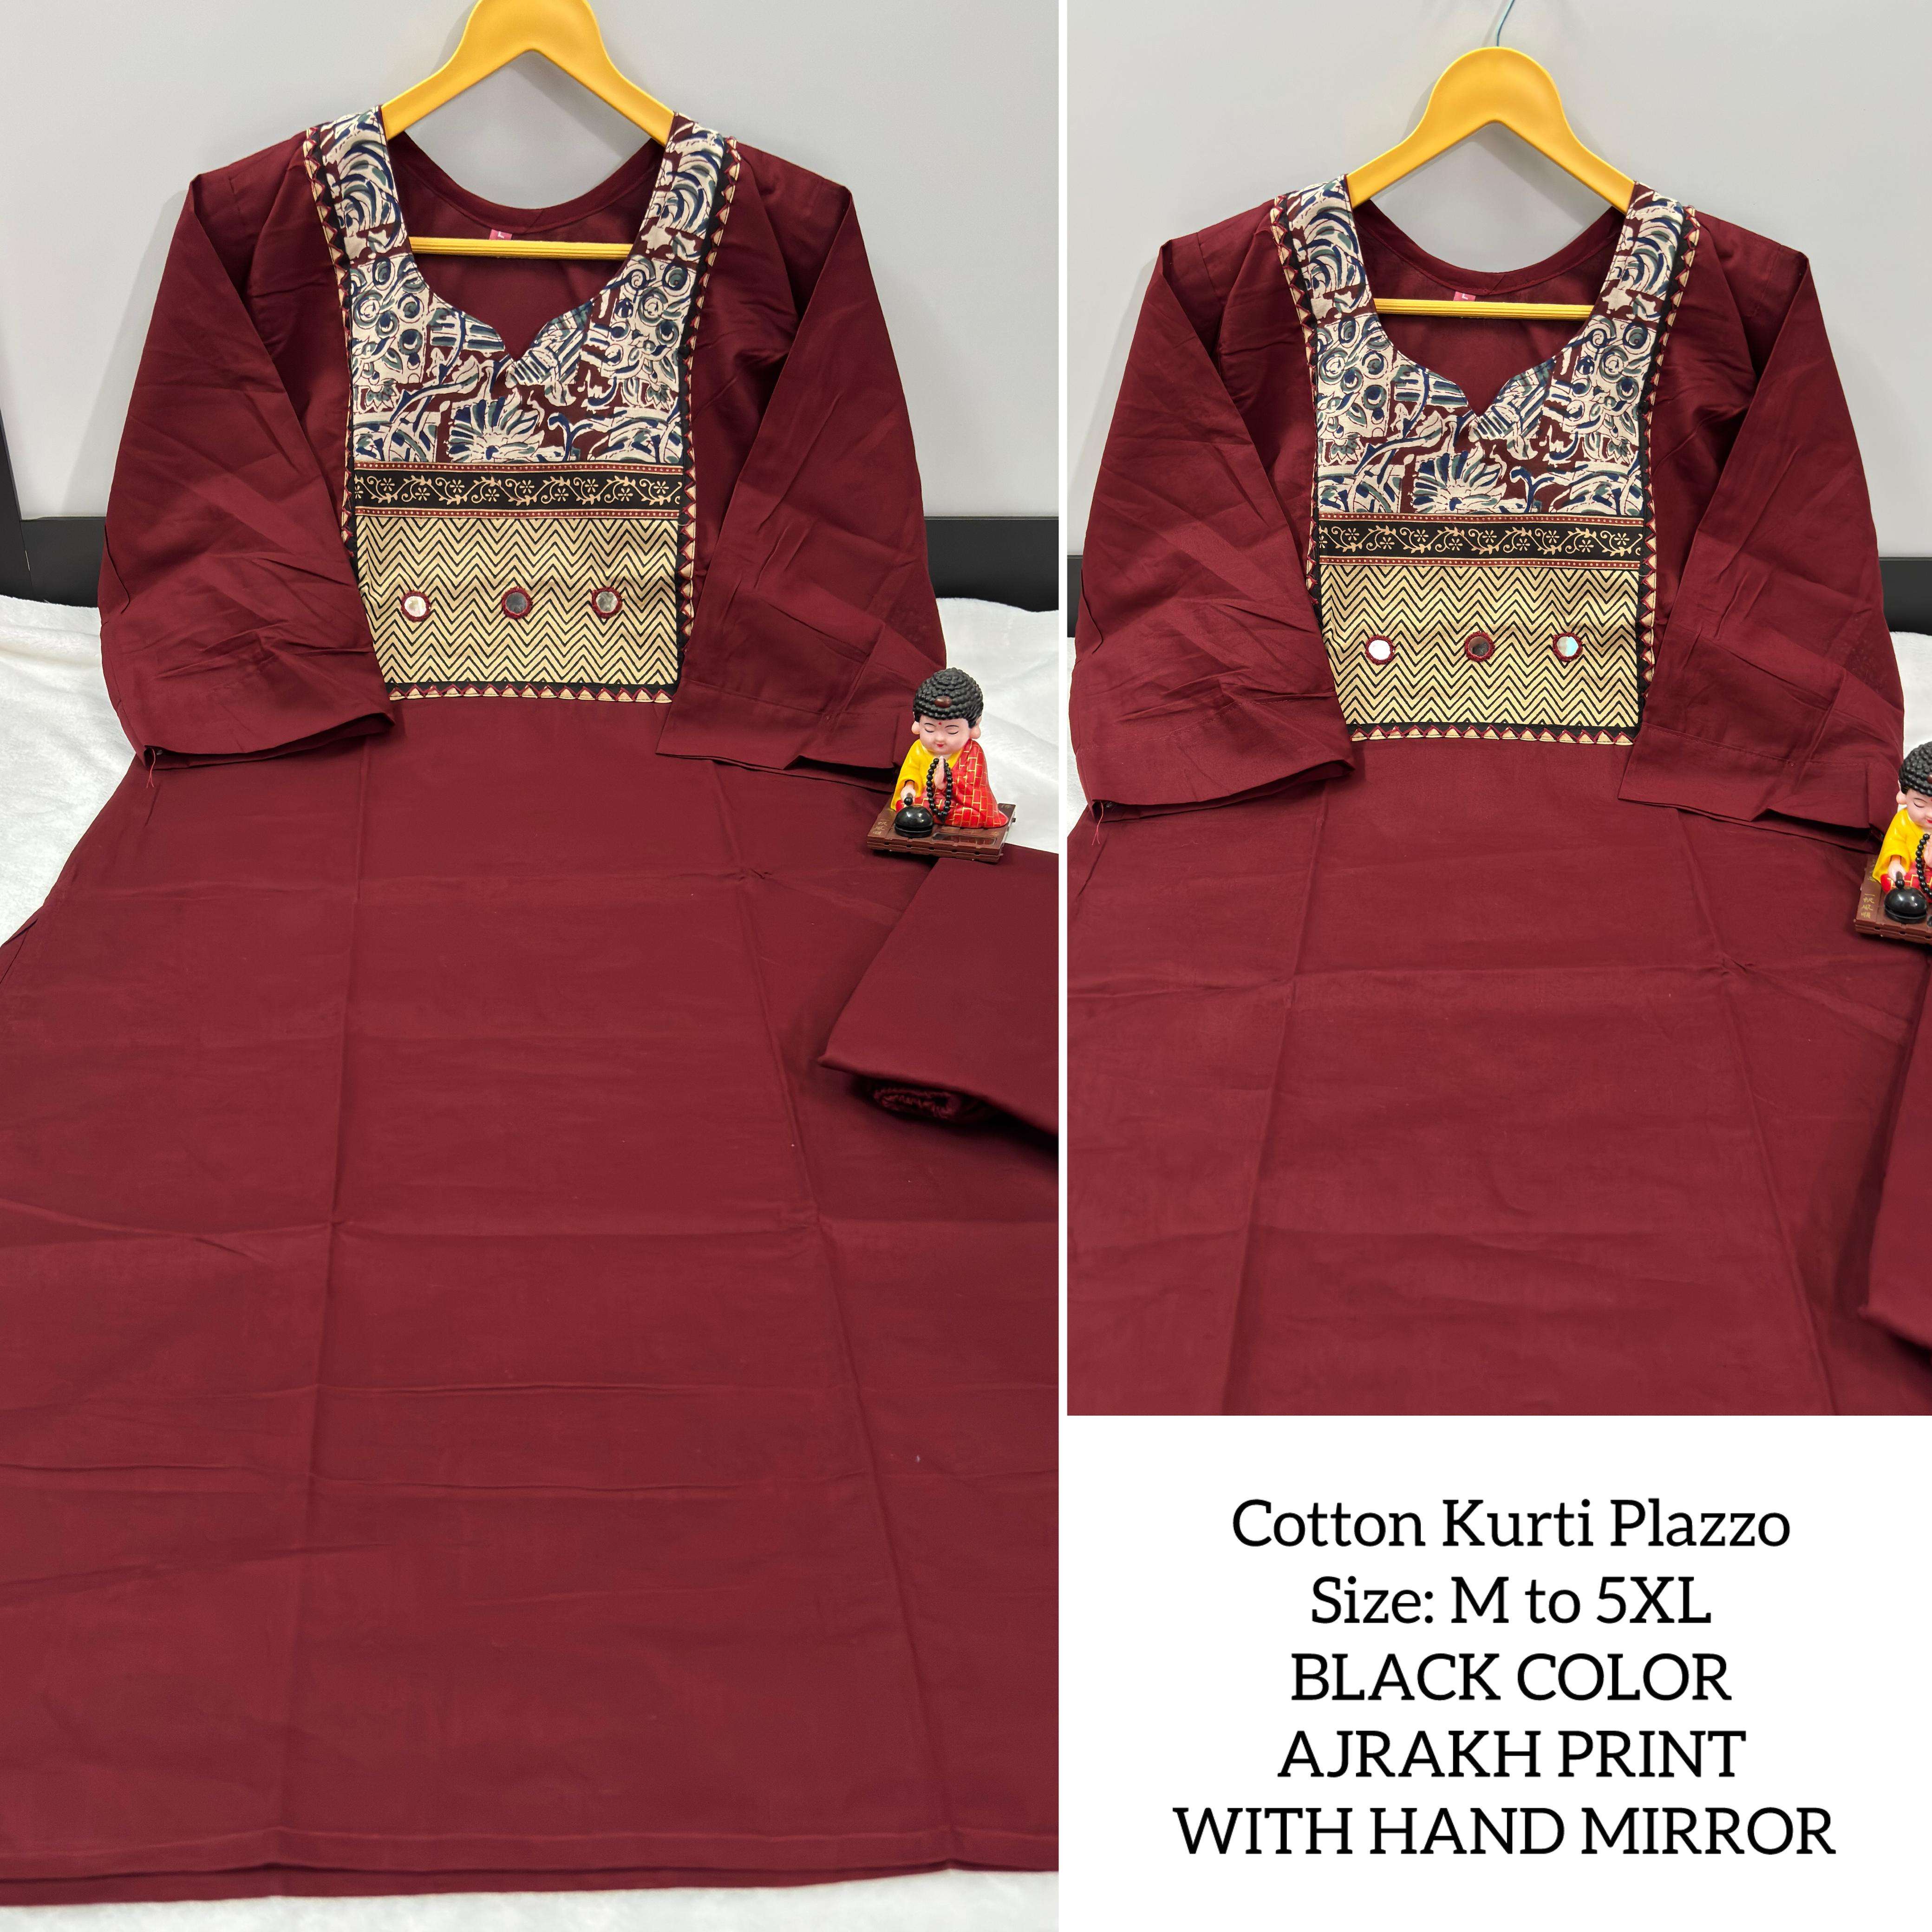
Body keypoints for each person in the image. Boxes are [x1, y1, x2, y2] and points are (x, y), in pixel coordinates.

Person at [893, 666, 1008, 828]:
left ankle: (932, 816)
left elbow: (975, 788)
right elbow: (911, 774)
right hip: (927, 801)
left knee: (980, 816)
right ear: (917, 723)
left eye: (952, 731)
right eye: (930, 729)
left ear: (974, 726)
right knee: (906, 807)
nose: (940, 738)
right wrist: (909, 789)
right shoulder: (919, 749)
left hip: (958, 804)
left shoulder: (973, 752)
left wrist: (946, 783)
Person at [1873, 742, 1932, 888]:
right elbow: (1895, 845)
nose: (1931, 815)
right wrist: (1895, 863)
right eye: (1919, 804)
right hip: (1911, 875)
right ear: (1903, 795)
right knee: (1893, 883)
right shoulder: (1903, 821)